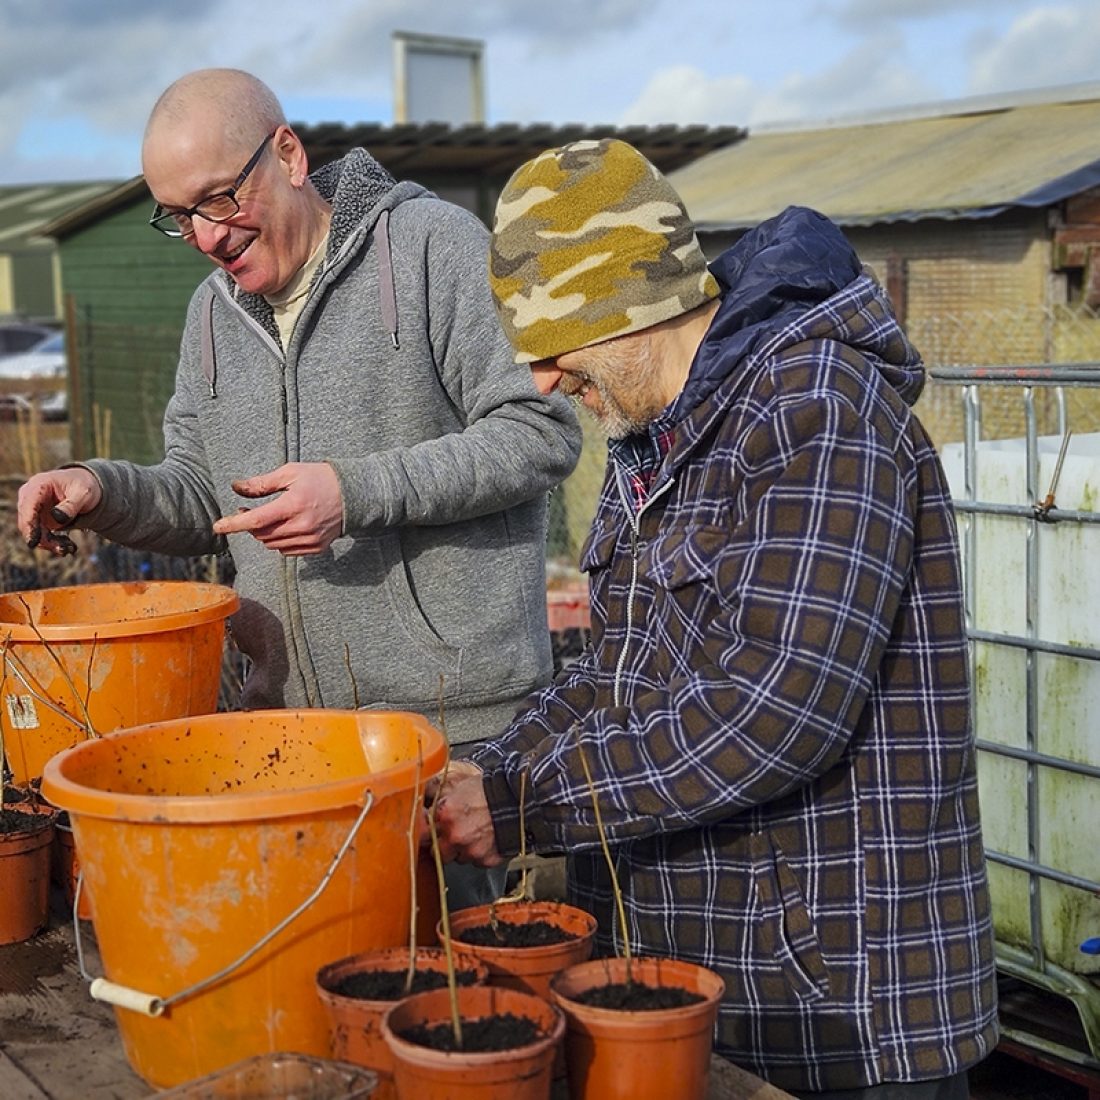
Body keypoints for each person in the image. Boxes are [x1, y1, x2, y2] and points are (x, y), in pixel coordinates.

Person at [430, 137, 999, 1096]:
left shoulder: (818, 411)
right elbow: (614, 677)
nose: (543, 382)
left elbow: (774, 712)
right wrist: (490, 767)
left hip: (840, 1007)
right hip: (713, 981)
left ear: (627, 307)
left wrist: (530, 803)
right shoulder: (657, 438)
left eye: (552, 347)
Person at [16, 69, 581, 903]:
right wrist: (99, 489)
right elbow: (206, 495)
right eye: (180, 216)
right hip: (287, 743)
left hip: (451, 742)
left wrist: (354, 492)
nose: (207, 236)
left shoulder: (433, 248)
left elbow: (539, 433)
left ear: (287, 153)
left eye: (217, 199)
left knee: (455, 999)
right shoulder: (212, 316)